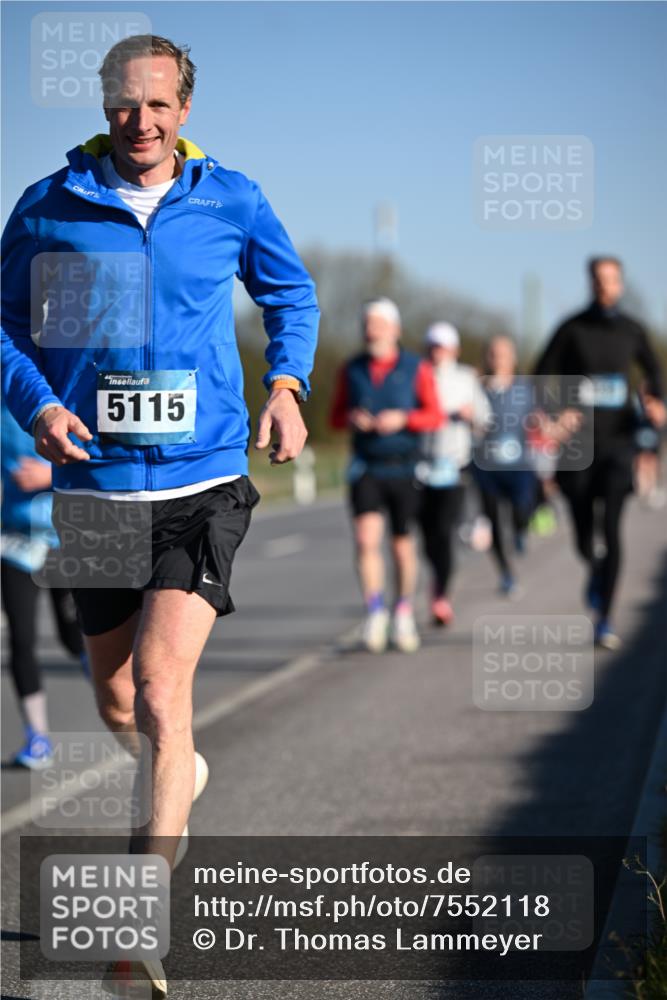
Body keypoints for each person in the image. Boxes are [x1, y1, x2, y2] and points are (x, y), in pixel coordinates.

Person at [1, 34, 319, 995]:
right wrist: (39, 405)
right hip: (95, 491)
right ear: (103, 109)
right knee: (111, 702)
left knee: (157, 690)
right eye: (123, 106)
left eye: (158, 105)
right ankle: (181, 776)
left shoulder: (230, 198)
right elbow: (5, 325)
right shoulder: (52, 205)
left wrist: (288, 384)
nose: (141, 123)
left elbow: (288, 292)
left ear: (185, 108)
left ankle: (140, 931)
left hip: (201, 481)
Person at [535, 256, 665, 649]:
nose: (604, 287)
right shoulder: (572, 329)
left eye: (611, 280)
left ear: (620, 285)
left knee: (611, 527)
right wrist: (557, 415)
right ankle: (594, 568)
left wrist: (657, 402)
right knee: (583, 534)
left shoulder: (632, 330)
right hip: (577, 445)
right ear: (590, 283)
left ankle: (604, 617)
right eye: (598, 280)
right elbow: (542, 374)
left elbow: (655, 374)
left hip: (619, 444)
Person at [330, 298, 443, 653]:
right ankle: (374, 611)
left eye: (377, 323)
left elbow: (435, 415)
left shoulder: (416, 367)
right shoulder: (351, 369)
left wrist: (403, 419)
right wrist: (351, 419)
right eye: (366, 323)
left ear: (395, 329)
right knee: (366, 541)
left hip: (404, 465)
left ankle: (404, 611)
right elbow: (335, 416)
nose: (370, 329)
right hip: (366, 465)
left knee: (401, 546)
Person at [1, 400, 85, 768]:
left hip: (63, 536)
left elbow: (96, 455)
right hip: (16, 541)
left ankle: (127, 715)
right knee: (21, 639)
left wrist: (48, 476)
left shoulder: (57, 389)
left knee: (75, 639)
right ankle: (37, 739)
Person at [416, 322, 491, 625]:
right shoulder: (416, 376)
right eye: (433, 346)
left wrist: (472, 416)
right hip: (421, 466)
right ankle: (437, 578)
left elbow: (486, 419)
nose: (438, 352)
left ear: (454, 350)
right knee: (428, 536)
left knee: (445, 532)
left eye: (444, 347)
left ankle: (441, 596)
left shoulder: (466, 379)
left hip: (454, 465)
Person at [472, 335, 541, 597]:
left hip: (519, 464)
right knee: (493, 521)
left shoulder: (526, 388)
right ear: (486, 357)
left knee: (521, 510)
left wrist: (548, 426)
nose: (497, 358)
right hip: (486, 466)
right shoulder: (476, 387)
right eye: (492, 352)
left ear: (513, 357)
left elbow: (538, 418)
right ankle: (506, 573)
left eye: (503, 353)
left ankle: (521, 531)